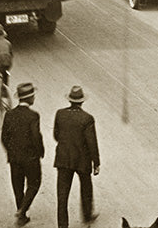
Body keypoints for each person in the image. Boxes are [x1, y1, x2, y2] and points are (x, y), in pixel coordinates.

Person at [53, 85, 100, 228]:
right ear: (82, 101)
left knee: (62, 195)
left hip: (63, 158)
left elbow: (56, 135)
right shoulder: (87, 118)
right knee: (86, 187)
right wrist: (96, 162)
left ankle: (62, 225)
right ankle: (87, 215)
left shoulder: (60, 114)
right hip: (82, 160)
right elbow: (91, 142)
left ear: (70, 100)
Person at [1, 82, 43, 226]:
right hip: (30, 158)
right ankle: (22, 210)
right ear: (29, 98)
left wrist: (11, 151)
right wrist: (40, 152)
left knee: (17, 186)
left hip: (14, 158)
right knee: (34, 183)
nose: (34, 98)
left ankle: (22, 215)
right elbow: (36, 136)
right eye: (33, 96)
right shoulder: (33, 116)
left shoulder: (9, 114)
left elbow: (4, 137)